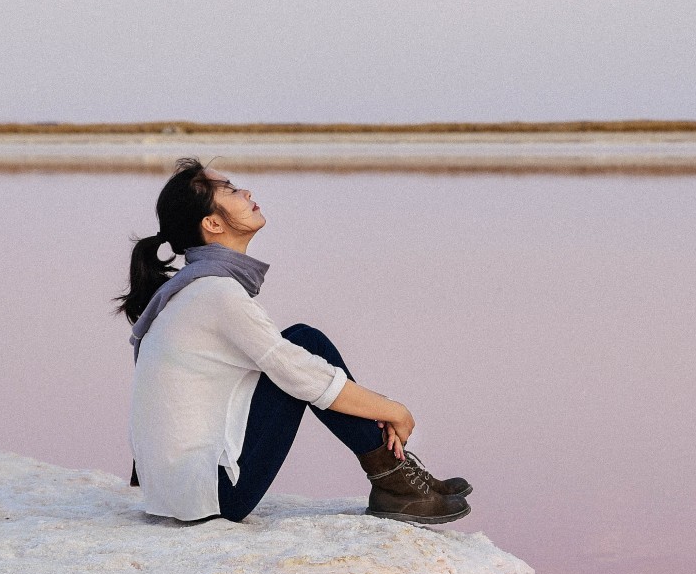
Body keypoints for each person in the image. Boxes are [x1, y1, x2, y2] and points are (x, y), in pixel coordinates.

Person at [122, 158, 471, 524]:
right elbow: (300, 374)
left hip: (179, 490)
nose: (247, 192)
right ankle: (394, 482)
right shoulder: (216, 293)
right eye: (230, 190)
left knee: (300, 348)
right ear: (213, 223)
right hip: (214, 494)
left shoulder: (195, 289)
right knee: (306, 346)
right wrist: (392, 410)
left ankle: (396, 479)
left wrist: (376, 406)